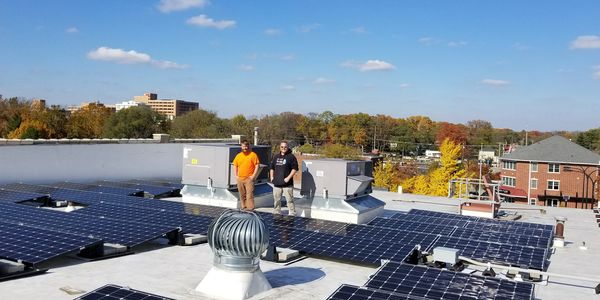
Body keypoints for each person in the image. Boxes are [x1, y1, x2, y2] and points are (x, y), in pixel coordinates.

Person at [270, 141, 298, 215]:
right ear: (280, 147)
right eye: (282, 147)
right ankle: (276, 212)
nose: (283, 148)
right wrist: (272, 177)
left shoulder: (291, 157)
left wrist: (288, 178)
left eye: (285, 147)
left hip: (287, 184)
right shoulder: (276, 156)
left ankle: (292, 213)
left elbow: (295, 169)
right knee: (276, 200)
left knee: (289, 200)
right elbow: (272, 168)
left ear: (287, 147)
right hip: (277, 183)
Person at [233, 140, 260, 210]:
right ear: (241, 147)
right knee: (242, 195)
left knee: (249, 195)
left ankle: (250, 209)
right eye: (243, 146)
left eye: (246, 146)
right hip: (240, 179)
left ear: (248, 146)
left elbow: (257, 165)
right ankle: (243, 207)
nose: (245, 148)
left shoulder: (253, 155)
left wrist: (253, 176)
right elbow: (235, 165)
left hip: (249, 179)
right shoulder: (238, 156)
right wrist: (236, 175)